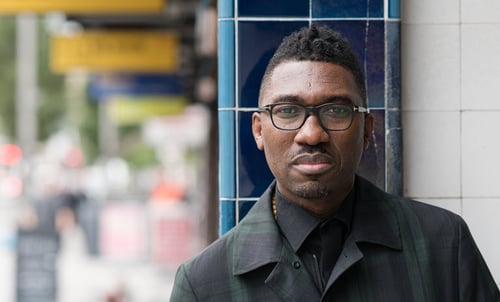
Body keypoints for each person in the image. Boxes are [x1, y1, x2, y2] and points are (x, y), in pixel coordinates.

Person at [170, 25, 500, 301]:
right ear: (259, 130)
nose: (312, 134)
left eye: (336, 111)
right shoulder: (204, 285)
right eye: (287, 111)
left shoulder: (442, 246)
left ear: (368, 129)